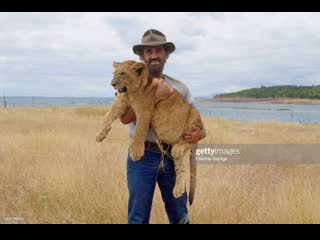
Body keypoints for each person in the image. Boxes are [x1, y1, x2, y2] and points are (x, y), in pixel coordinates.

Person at [121, 29, 206, 224]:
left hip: (171, 155)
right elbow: (124, 118)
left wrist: (200, 134)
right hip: (141, 155)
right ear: (142, 56)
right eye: (149, 52)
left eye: (158, 51)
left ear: (166, 54)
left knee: (180, 216)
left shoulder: (180, 87)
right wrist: (153, 98)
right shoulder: (130, 84)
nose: (154, 56)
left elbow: (195, 120)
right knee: (137, 217)